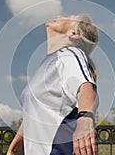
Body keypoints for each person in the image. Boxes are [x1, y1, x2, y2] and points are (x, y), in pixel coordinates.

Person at [7, 14, 99, 155]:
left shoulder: (69, 54)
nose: (59, 16)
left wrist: (85, 119)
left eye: (68, 16)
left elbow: (86, 87)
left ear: (74, 34)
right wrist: (14, 149)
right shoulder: (48, 64)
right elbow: (34, 112)